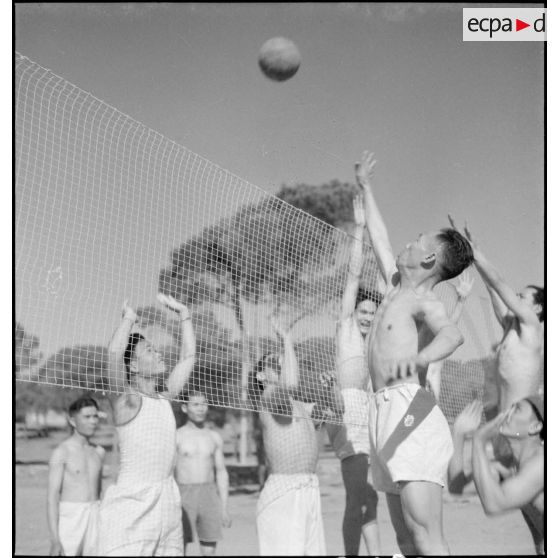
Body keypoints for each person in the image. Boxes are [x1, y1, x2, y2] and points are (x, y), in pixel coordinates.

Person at [355, 150, 474, 555]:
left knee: (426, 536)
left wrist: (422, 360)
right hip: (381, 409)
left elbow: (452, 336)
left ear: (427, 258)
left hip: (410, 409)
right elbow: (379, 237)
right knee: (405, 540)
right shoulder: (394, 287)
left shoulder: (425, 301)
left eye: (419, 239)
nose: (409, 240)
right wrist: (366, 186)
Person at [98, 294, 195, 556]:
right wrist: (129, 320)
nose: (158, 351)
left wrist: (184, 313)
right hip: (132, 506)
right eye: (149, 350)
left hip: (167, 504)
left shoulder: (165, 397)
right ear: (134, 365)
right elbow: (114, 353)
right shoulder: (126, 400)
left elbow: (188, 357)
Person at [325, 194, 381, 556]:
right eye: (363, 310)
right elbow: (354, 274)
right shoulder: (345, 327)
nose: (367, 316)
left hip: (370, 411)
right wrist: (361, 228)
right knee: (356, 497)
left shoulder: (374, 340)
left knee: (370, 499)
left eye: (371, 313)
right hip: (345, 410)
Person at [448, 217, 544, 412]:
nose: (516, 298)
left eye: (522, 297)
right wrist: (475, 251)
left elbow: (499, 282)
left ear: (538, 308)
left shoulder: (533, 326)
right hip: (504, 415)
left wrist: (472, 250)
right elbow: (493, 288)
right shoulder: (511, 326)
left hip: (521, 418)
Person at [249, 316, 326, 556]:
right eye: (273, 362)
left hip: (309, 489)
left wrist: (328, 387)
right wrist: (287, 340)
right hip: (284, 491)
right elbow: (290, 384)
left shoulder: (298, 405)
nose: (279, 361)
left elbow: (332, 410)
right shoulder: (269, 397)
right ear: (261, 376)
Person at [471, 396, 544, 554]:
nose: (506, 413)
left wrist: (479, 441)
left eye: (516, 409)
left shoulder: (541, 463)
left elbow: (493, 505)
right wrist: (458, 434)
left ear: (535, 427)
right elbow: (458, 486)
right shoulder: (511, 465)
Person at [175, 391, 231, 556]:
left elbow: (221, 473)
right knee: (179, 546)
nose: (200, 409)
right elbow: (169, 473)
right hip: (184, 495)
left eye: (204, 404)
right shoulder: (177, 436)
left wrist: (225, 507)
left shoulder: (214, 437)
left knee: (209, 550)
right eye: (195, 404)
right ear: (185, 408)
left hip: (209, 494)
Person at [47, 396, 105, 556]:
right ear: (72, 421)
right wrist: (54, 539)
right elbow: (52, 498)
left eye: (95, 416)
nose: (93, 421)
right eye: (87, 417)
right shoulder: (62, 452)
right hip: (71, 518)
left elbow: (98, 493)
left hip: (94, 514)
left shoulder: (99, 452)